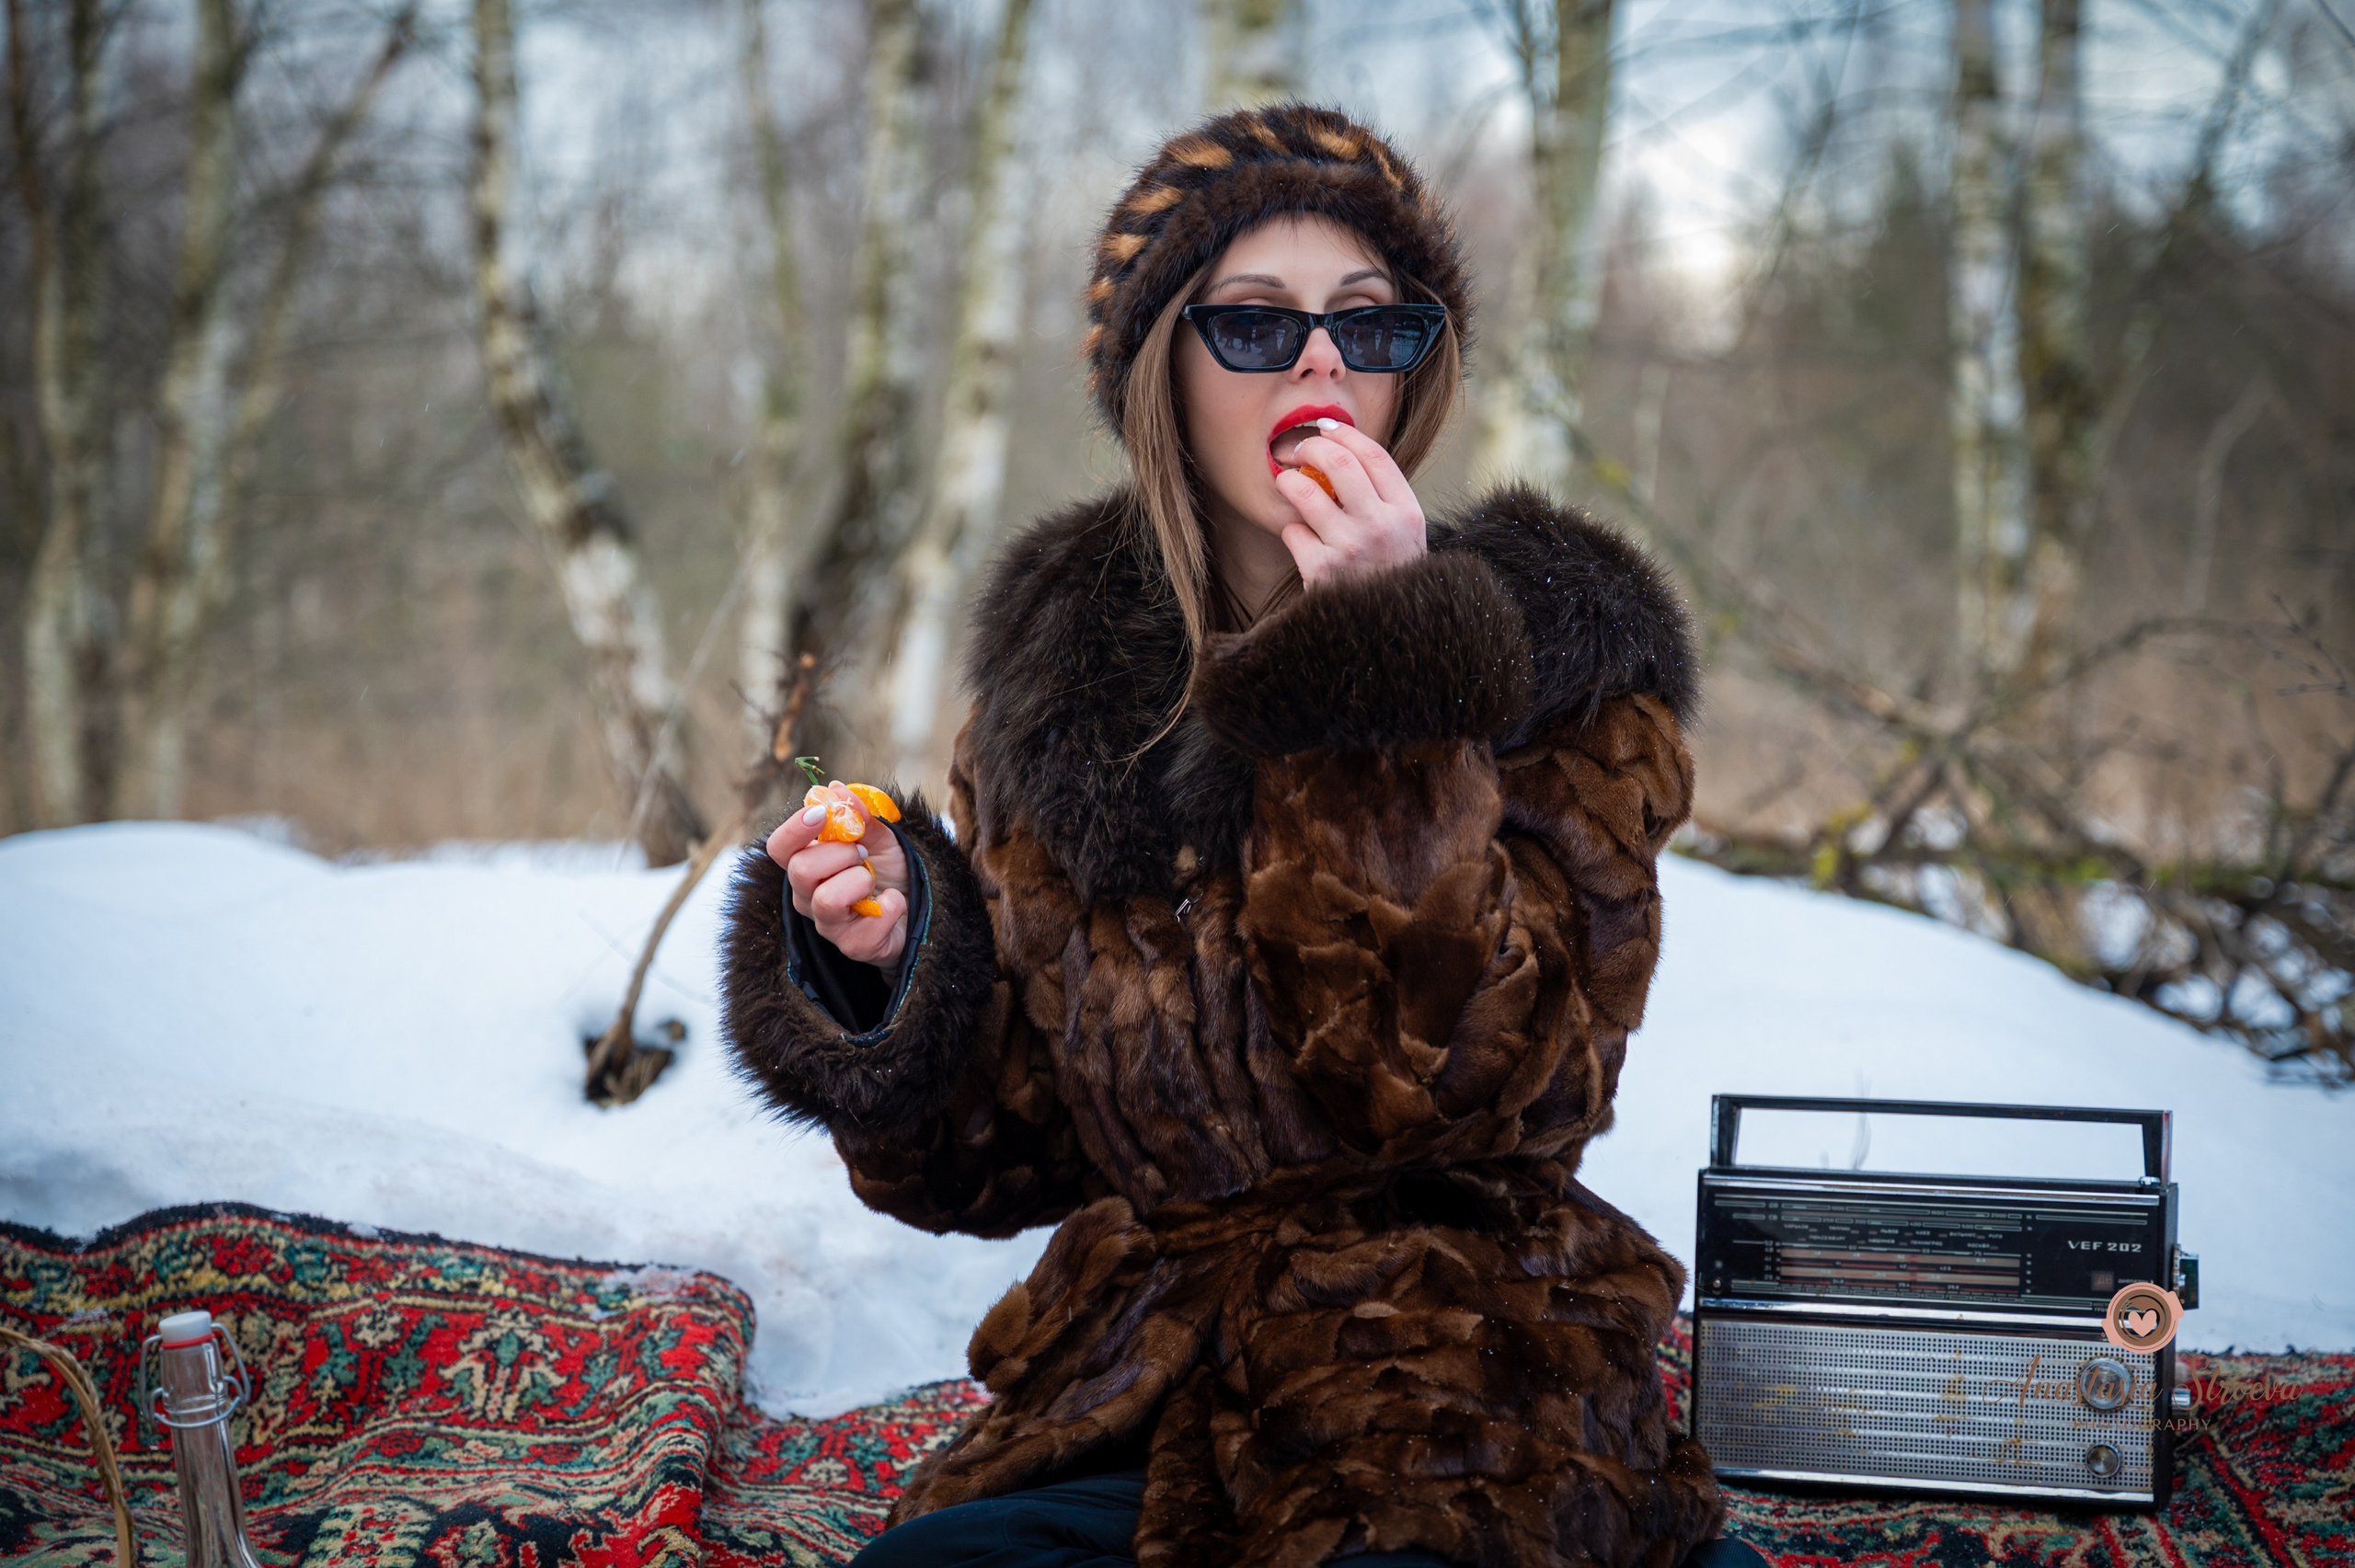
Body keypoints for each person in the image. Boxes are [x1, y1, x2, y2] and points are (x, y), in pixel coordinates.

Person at [721, 103, 1763, 1568]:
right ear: (1165, 370)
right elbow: (1006, 1154)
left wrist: (1388, 679)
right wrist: (890, 967)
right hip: (1154, 1375)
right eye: (1260, 328)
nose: (1325, 360)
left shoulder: (1562, 674)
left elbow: (1466, 1085)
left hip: (1461, 1378)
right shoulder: (1060, 697)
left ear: (1418, 368)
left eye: (1368, 324)